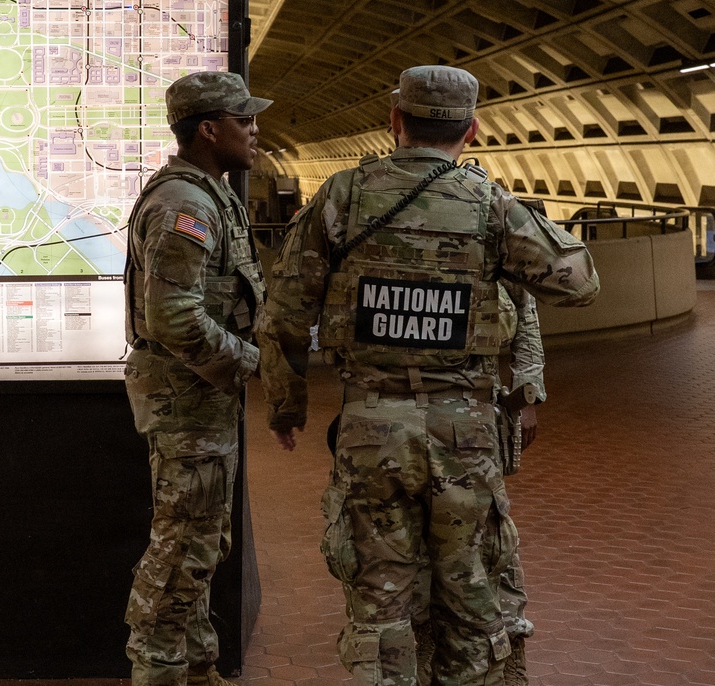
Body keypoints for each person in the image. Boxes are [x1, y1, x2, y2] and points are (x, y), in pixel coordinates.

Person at [256, 65, 599, 685]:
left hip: (369, 428)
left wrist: (287, 407)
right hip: (463, 431)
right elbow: (579, 283)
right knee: (472, 601)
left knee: (381, 604)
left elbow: (282, 316)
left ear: (394, 122)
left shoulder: (340, 196)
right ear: (471, 130)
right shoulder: (488, 204)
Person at [122, 70, 272, 686]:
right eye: (245, 121)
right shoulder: (185, 205)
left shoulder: (210, 191)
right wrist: (251, 362)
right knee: (182, 542)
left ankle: (199, 661)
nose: (256, 130)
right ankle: (157, 669)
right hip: (186, 398)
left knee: (206, 538)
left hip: (201, 396)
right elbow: (174, 317)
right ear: (209, 130)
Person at [415, 279, 546, 685]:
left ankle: (511, 662)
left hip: (476, 416)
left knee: (493, 546)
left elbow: (526, 310)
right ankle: (426, 650)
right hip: (410, 413)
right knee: (416, 548)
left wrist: (526, 395)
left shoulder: (498, 217)